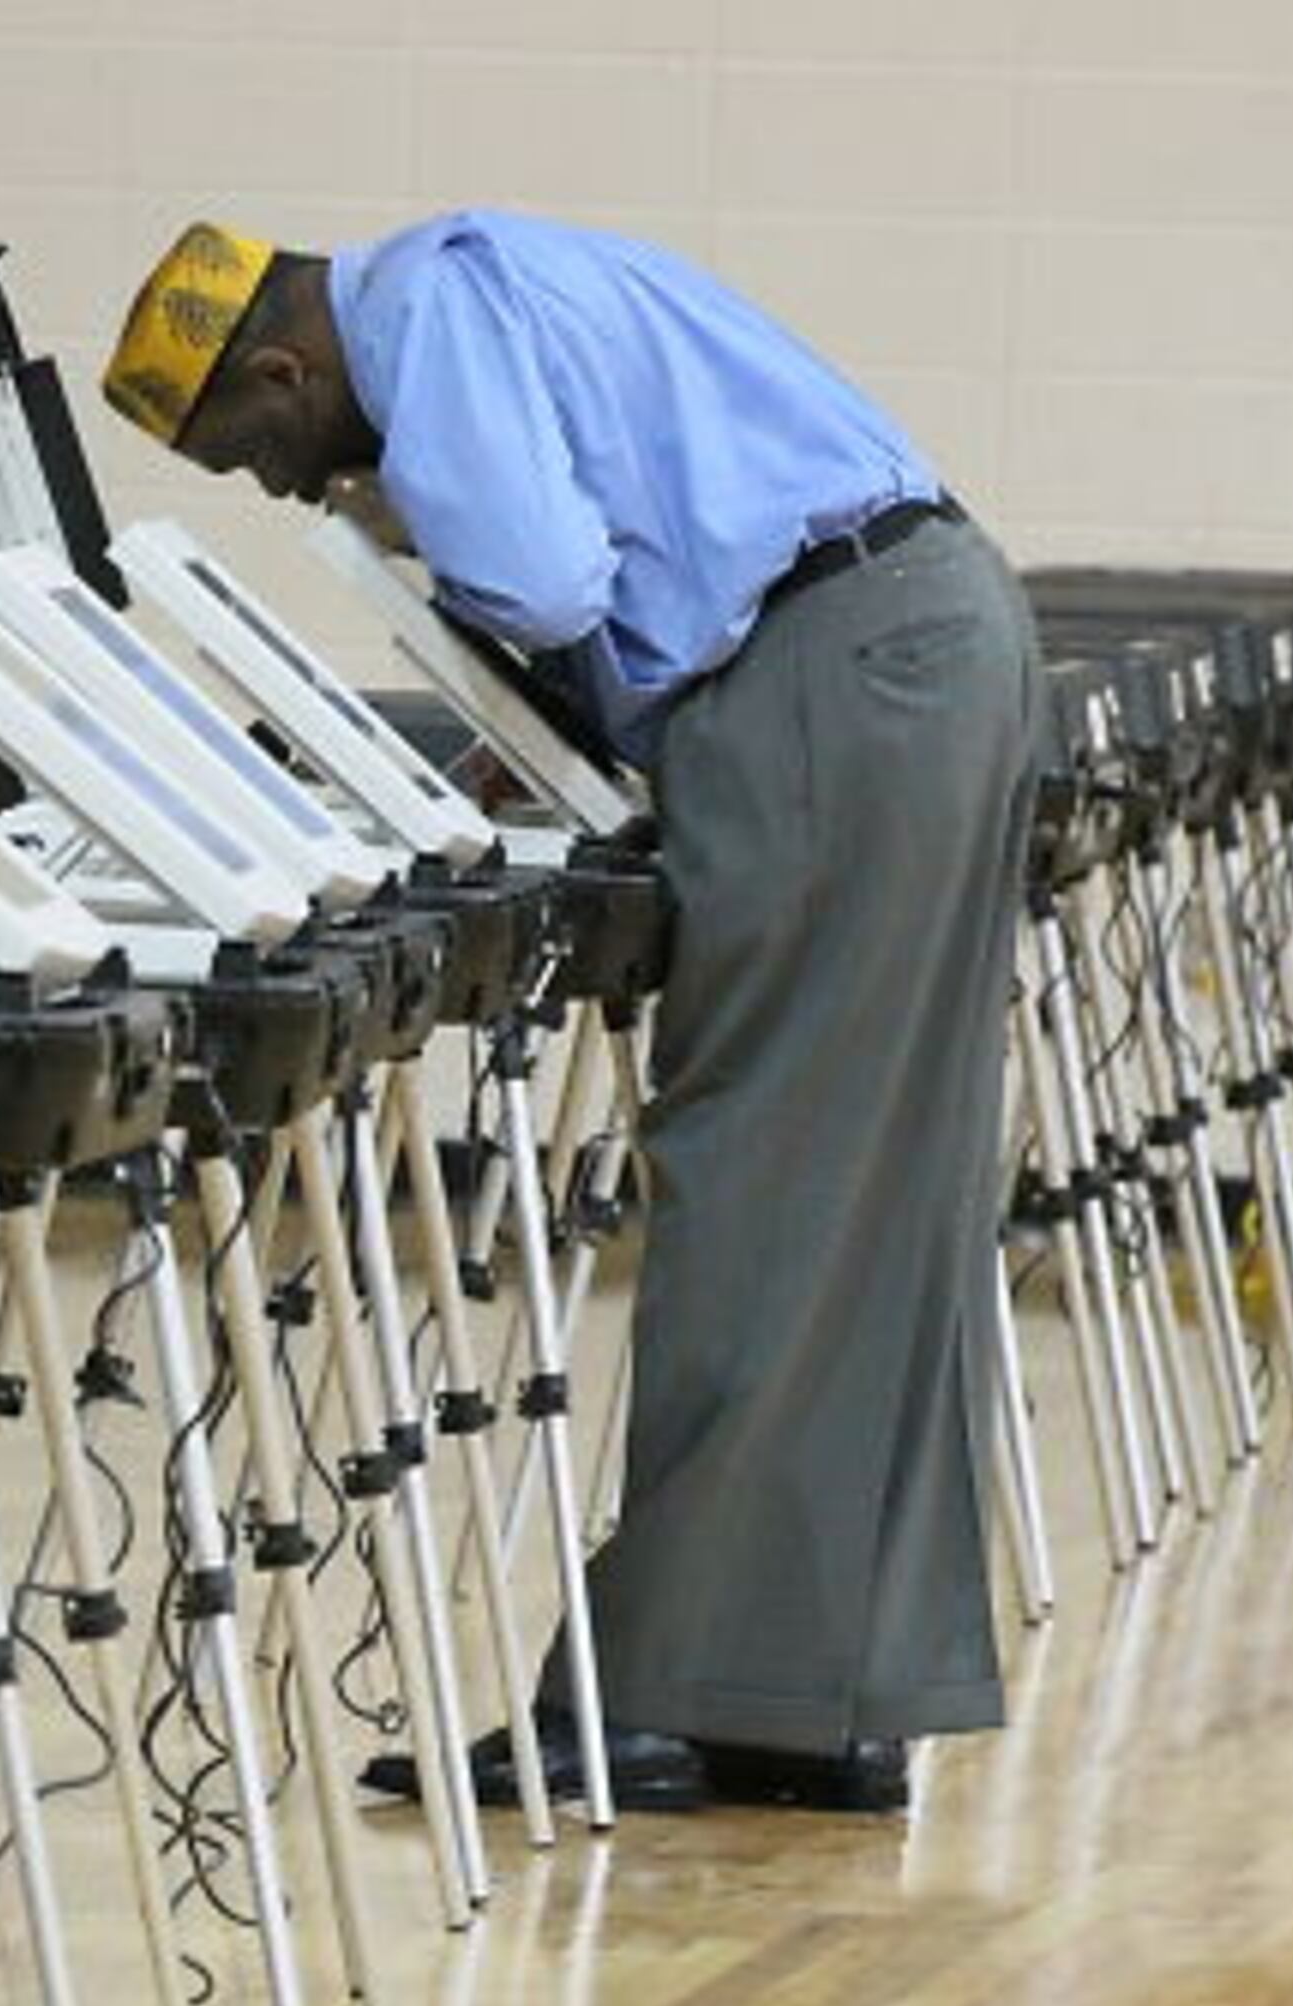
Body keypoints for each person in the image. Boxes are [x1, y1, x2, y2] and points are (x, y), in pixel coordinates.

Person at [97, 211, 1045, 1812]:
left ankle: (660, 1702)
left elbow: (534, 579)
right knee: (866, 1204)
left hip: (838, 685)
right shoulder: (496, 270)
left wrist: (436, 585)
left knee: (759, 1190)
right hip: (915, 655)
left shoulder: (425, 310)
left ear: (283, 364)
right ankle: (806, 1700)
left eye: (271, 455)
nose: (299, 490)